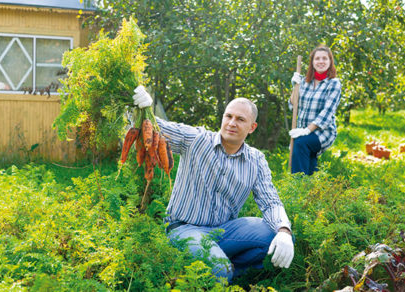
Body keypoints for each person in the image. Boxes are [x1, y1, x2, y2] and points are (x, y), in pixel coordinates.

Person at [132, 86, 294, 283]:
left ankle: (230, 271)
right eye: (229, 116)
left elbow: (271, 202)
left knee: (278, 237)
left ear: (252, 127)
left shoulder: (256, 160)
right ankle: (215, 270)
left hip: (225, 231)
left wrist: (284, 231)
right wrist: (141, 109)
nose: (232, 123)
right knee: (219, 269)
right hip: (184, 229)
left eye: (240, 119)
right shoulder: (196, 139)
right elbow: (155, 129)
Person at [289, 45, 342, 175]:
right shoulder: (304, 82)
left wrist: (307, 130)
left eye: (325, 58)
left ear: (330, 62)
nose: (321, 61)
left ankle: (297, 186)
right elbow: (294, 105)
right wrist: (295, 86)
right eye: (317, 58)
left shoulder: (334, 83)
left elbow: (327, 112)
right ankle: (312, 188)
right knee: (308, 160)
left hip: (322, 132)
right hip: (301, 130)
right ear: (312, 62)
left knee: (301, 144)